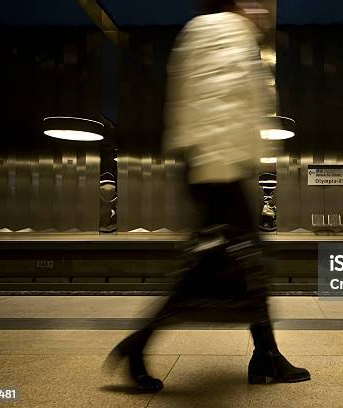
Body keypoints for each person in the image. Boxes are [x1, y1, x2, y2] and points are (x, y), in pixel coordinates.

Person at [105, 0, 310, 392]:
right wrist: (231, 168)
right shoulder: (224, 30)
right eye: (253, 4)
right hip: (219, 167)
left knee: (244, 260)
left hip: (213, 164)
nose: (262, 11)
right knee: (228, 262)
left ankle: (265, 356)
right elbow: (223, 101)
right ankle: (139, 344)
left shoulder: (204, 30)